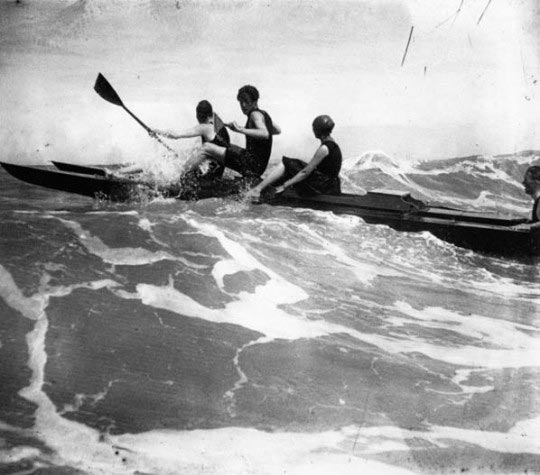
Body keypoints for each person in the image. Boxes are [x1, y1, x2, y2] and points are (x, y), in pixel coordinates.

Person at [112, 100, 230, 178]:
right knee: (173, 158)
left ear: (198, 115)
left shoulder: (205, 127)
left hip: (206, 176)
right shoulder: (219, 125)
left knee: (158, 162)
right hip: (215, 174)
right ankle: (125, 173)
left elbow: (175, 135)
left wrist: (156, 131)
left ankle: (119, 173)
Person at [246, 114, 342, 202]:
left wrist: (285, 186)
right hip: (331, 185)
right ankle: (267, 187)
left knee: (287, 163)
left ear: (318, 130)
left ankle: (257, 189)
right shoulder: (333, 144)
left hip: (322, 185)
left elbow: (305, 172)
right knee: (295, 165)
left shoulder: (324, 148)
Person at [195, 85, 281, 180]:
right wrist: (249, 130)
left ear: (255, 101)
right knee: (223, 145)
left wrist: (240, 129)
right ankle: (209, 174)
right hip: (258, 166)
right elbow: (277, 130)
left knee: (207, 147)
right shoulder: (264, 114)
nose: (243, 105)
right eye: (241, 102)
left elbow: (265, 133)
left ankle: (182, 174)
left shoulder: (254, 115)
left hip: (251, 165)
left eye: (246, 101)